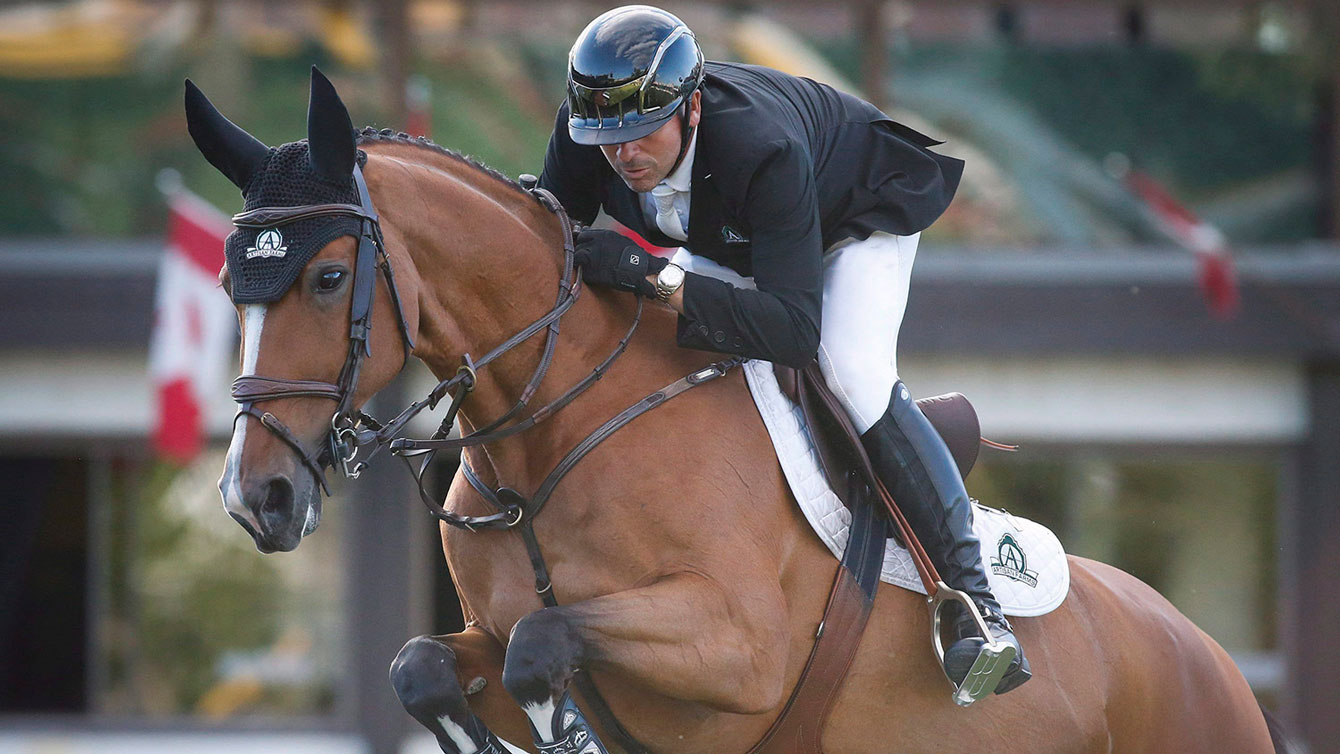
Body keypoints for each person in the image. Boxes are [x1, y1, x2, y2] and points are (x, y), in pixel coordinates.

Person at [539, 2, 1030, 706]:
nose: (624, 155)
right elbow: (547, 236)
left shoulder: (758, 147)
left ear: (693, 109)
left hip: (850, 220)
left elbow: (794, 330)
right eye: (608, 137)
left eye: (643, 132)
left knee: (849, 372)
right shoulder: (590, 135)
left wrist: (651, 274)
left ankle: (977, 607)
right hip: (736, 238)